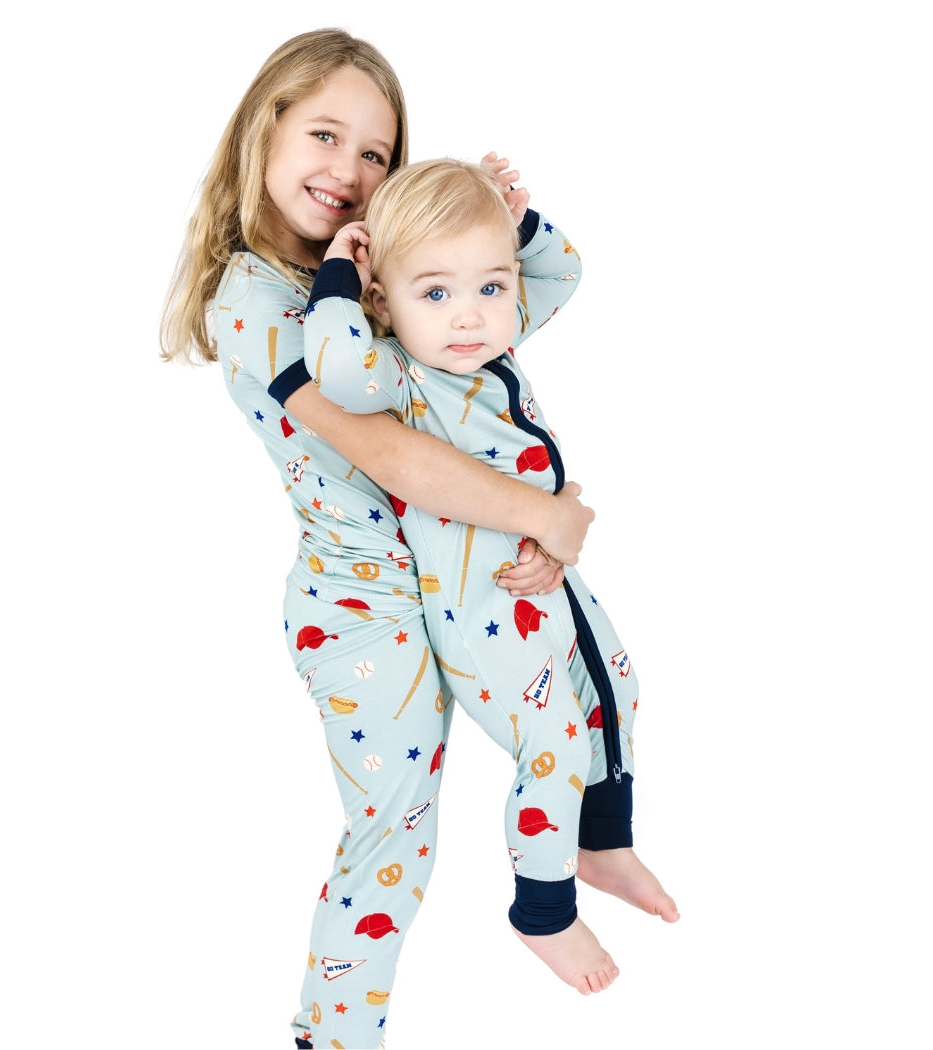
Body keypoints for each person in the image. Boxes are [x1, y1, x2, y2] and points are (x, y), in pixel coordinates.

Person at [159, 29, 598, 1050]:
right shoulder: (259, 303)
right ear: (262, 132)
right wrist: (543, 513)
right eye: (325, 134)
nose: (349, 171)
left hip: (460, 573)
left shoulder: (382, 280)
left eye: (376, 154)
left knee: (583, 700)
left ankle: (592, 852)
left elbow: (488, 365)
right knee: (394, 832)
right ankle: (333, 1037)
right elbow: (390, 456)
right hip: (368, 611)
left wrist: (505, 226)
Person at [303, 157, 679, 998]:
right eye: (434, 293)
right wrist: (340, 270)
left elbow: (566, 269)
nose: (468, 317)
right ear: (383, 302)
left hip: (549, 584)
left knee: (617, 686)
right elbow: (331, 369)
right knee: (551, 741)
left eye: (491, 287)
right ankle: (542, 909)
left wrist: (512, 221)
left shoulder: (487, 343)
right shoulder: (398, 374)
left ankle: (602, 844)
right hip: (481, 609)